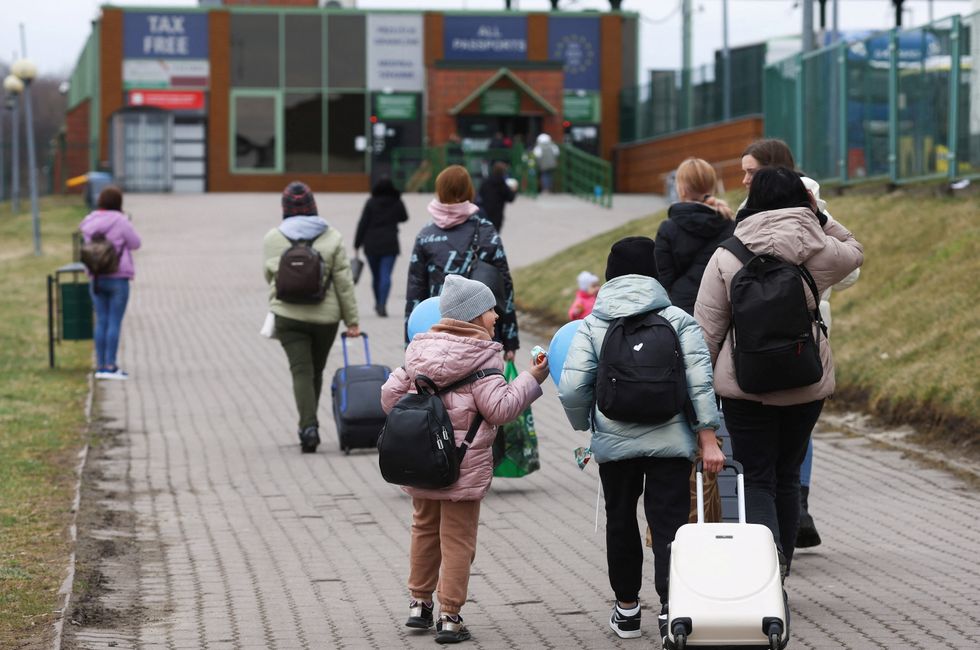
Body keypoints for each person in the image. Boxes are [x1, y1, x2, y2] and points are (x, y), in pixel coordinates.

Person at [694, 167, 863, 576]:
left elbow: (706, 333)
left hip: (744, 387)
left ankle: (769, 570)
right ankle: (782, 561)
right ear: (802, 201)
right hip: (806, 383)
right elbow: (854, 249)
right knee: (788, 475)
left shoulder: (727, 254)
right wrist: (819, 215)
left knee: (757, 479)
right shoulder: (819, 251)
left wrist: (698, 398)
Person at [557, 236, 725, 642]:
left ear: (611, 273)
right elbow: (701, 383)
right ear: (654, 272)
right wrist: (708, 438)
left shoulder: (594, 323)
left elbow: (572, 388)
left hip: (615, 446)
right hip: (672, 441)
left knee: (621, 522)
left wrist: (587, 426)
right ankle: (672, 612)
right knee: (669, 526)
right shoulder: (678, 320)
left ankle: (627, 611)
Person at [381, 274, 550, 644]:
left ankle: (418, 604)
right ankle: (450, 616)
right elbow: (501, 409)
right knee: (457, 540)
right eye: (490, 309)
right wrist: (531, 378)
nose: (496, 316)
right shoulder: (482, 356)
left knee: (424, 530)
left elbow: (389, 399)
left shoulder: (418, 349)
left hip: (422, 461)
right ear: (473, 316)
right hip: (461, 467)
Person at [740, 138, 861, 547]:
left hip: (751, 349)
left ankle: (765, 552)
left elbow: (715, 304)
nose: (743, 180)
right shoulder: (815, 225)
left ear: (772, 174)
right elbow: (851, 262)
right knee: (793, 449)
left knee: (759, 470)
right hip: (805, 342)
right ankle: (790, 535)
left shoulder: (743, 224)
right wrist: (821, 221)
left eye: (751, 172)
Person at [654, 157, 735, 524]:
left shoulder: (669, 228)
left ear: (681, 188)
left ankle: (684, 485)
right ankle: (717, 476)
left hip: (680, 321)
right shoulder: (729, 225)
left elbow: (662, 281)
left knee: (682, 396)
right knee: (713, 395)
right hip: (721, 322)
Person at [263, 181, 359, 453]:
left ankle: (308, 426)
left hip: (287, 315)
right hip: (324, 319)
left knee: (301, 371)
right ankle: (310, 421)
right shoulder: (332, 237)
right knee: (315, 370)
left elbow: (270, 276)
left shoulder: (273, 238)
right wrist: (352, 320)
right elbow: (344, 283)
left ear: (285, 209)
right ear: (313, 206)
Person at [405, 165, 520, 357]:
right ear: (469, 191)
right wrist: (510, 340)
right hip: (482, 334)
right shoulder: (486, 231)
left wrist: (410, 344)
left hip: (437, 335)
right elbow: (504, 288)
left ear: (439, 192)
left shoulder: (425, 236)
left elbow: (415, 293)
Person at [79, 186, 142, 380]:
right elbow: (136, 243)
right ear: (118, 203)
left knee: (101, 321)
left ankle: (100, 366)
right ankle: (110, 365)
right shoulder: (121, 221)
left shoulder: (89, 221)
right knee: (114, 321)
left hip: (96, 278)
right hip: (118, 277)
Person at [354, 177, 410, 317]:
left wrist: (357, 244)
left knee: (376, 276)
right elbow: (404, 217)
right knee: (386, 275)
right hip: (390, 244)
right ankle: (382, 304)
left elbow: (363, 223)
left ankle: (378, 302)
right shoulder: (396, 202)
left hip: (371, 244)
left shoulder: (371, 202)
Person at [476, 162, 516, 233]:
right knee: (495, 235)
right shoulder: (502, 185)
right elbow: (510, 198)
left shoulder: (486, 182)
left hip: (485, 213)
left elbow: (480, 194)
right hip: (497, 215)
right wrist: (513, 190)